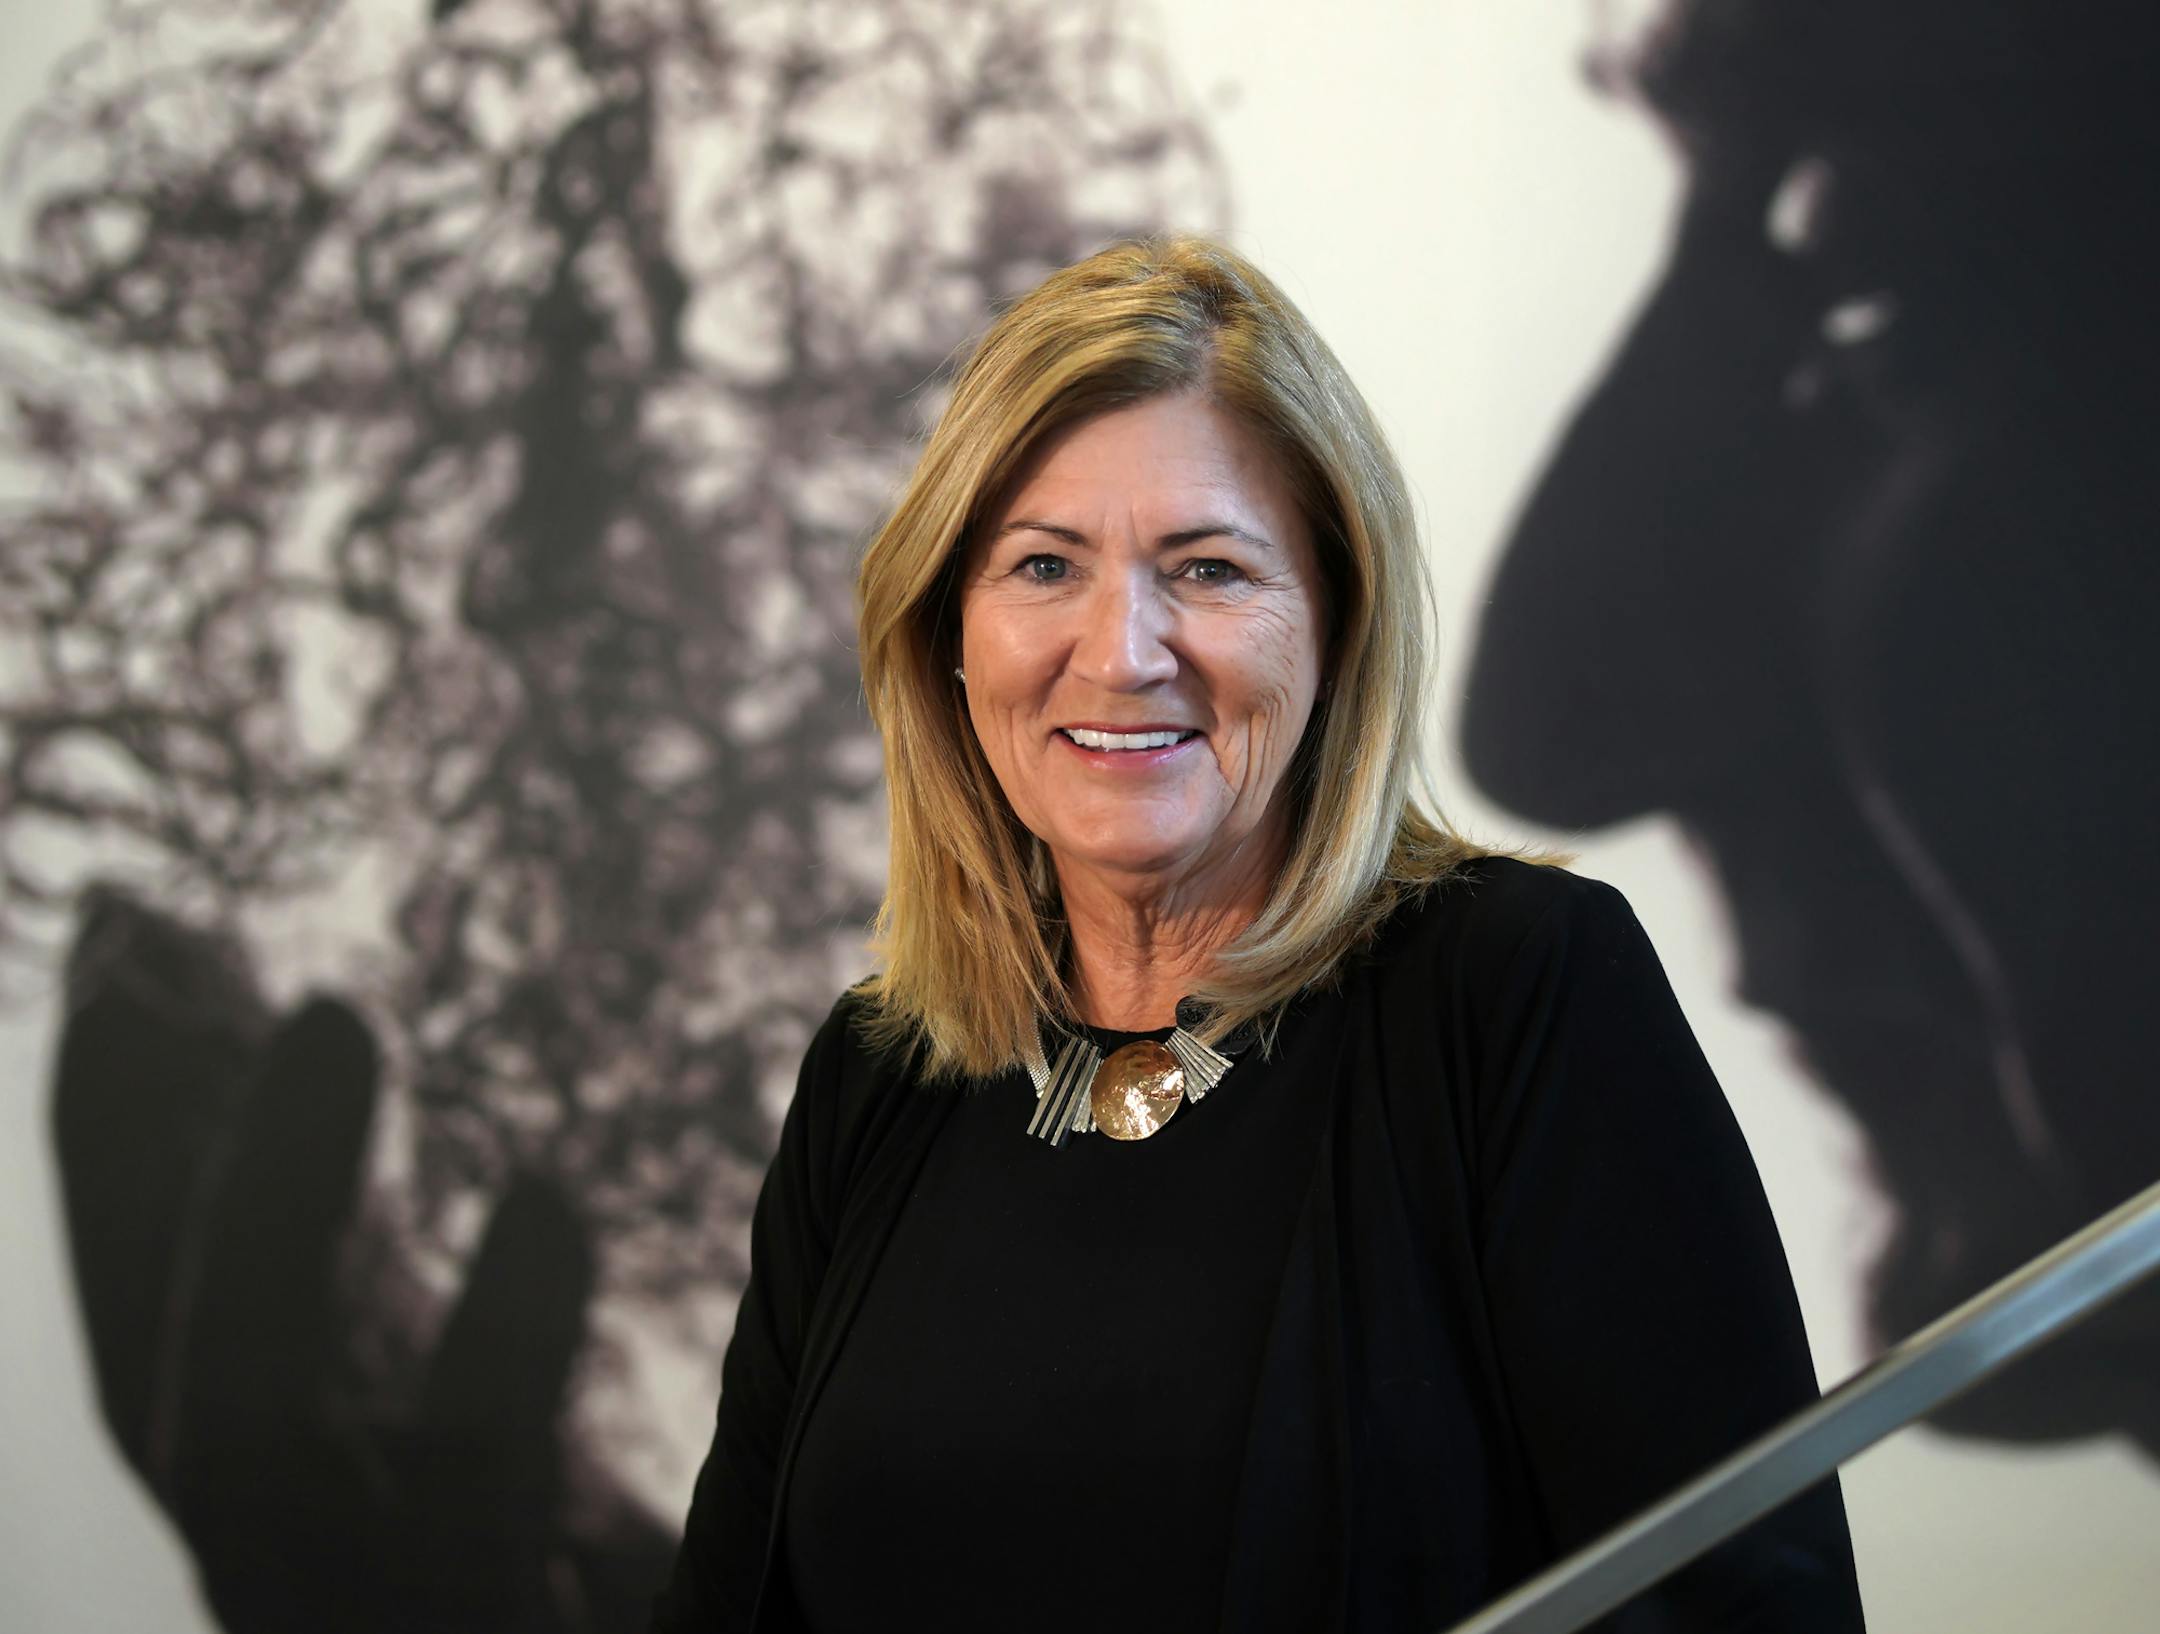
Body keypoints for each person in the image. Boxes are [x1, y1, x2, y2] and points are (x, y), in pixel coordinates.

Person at [650, 236, 1865, 1633]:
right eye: (1044, 564)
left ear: (1336, 623)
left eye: (1211, 569)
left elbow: (1754, 1614)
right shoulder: (880, 1073)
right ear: (949, 632)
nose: (1121, 653)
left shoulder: (1520, 992)